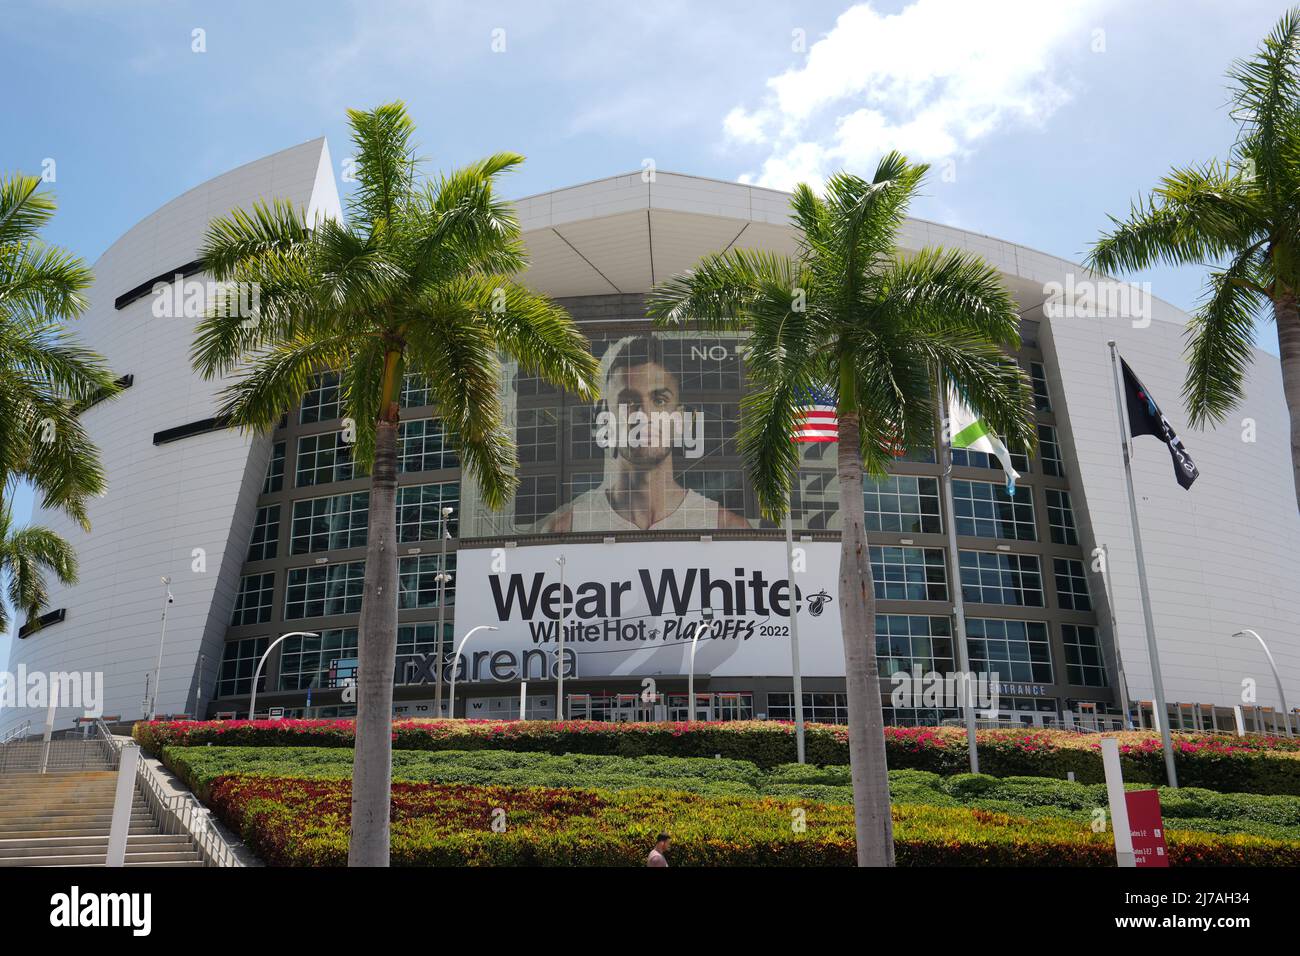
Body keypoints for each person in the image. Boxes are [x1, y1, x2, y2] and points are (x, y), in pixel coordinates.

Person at [540, 334, 751, 533]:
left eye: (659, 401)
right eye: (628, 402)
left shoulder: (726, 526)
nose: (644, 415)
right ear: (605, 418)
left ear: (679, 421)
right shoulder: (566, 527)